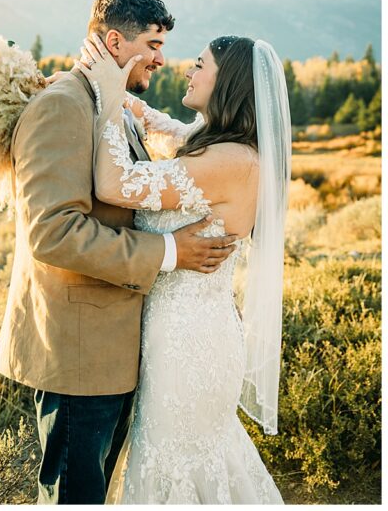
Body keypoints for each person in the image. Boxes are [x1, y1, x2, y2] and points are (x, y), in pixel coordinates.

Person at [0, 0, 241, 504]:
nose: (161, 58)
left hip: (121, 349)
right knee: (75, 496)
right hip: (80, 351)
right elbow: (53, 232)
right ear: (113, 40)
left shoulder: (112, 106)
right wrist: (169, 252)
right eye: (153, 44)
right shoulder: (64, 106)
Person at [79, 31, 287, 503]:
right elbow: (166, 126)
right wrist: (127, 103)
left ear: (228, 83)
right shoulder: (216, 145)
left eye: (199, 65)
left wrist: (110, 98)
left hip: (189, 343)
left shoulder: (233, 160)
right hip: (183, 331)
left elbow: (117, 184)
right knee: (188, 460)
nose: (187, 71)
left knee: (177, 464)